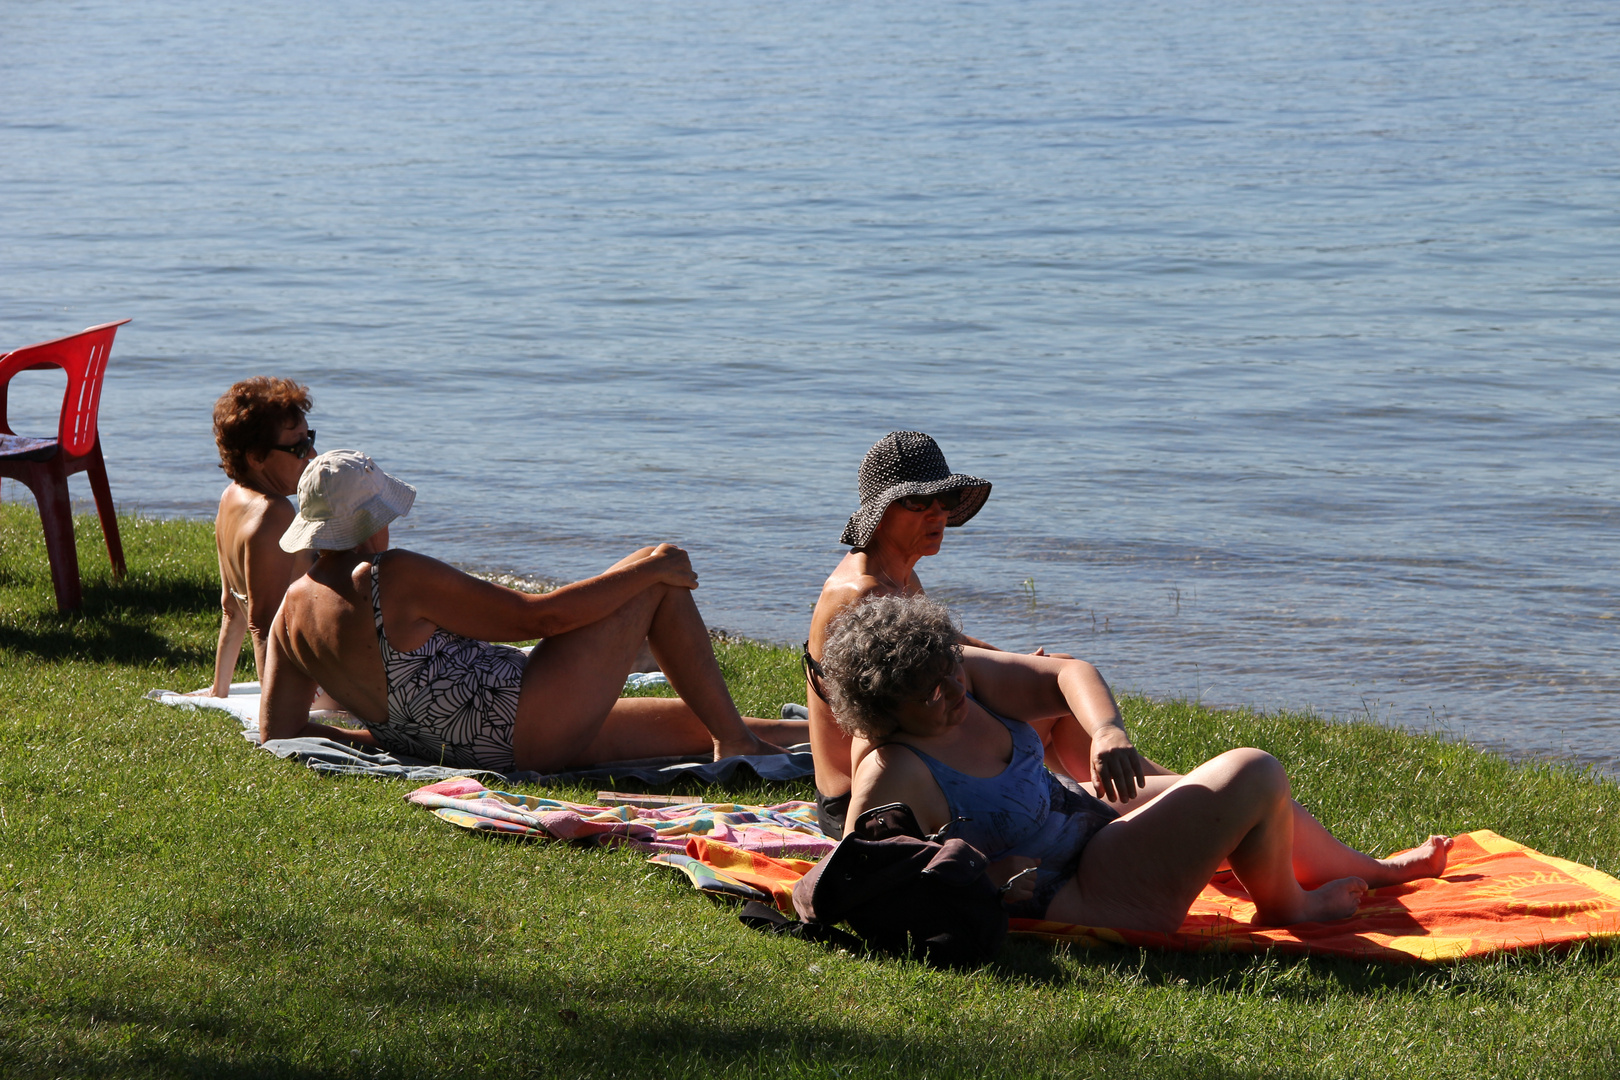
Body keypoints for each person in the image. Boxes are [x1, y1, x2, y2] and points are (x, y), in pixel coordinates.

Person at [823, 594, 1453, 930]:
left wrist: (1105, 732)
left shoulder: (964, 680)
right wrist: (989, 880)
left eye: (951, 673)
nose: (955, 693)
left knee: (1229, 794)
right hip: (1081, 888)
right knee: (1252, 771)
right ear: (884, 707)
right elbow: (869, 882)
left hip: (1081, 818)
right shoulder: (895, 770)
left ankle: (1378, 871)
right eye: (932, 692)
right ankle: (1288, 906)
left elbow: (1069, 671)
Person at [259, 449, 806, 772]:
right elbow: (536, 618)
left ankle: (789, 740)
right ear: (372, 519)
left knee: (691, 722)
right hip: (528, 721)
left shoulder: (290, 614)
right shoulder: (388, 575)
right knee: (654, 572)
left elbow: (279, 731)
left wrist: (392, 735)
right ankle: (735, 742)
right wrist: (645, 572)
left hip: (480, 743)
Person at [804, 431, 1175, 837]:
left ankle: (1141, 784)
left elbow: (947, 647)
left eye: (944, 500)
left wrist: (1019, 663)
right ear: (879, 510)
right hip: (878, 799)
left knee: (1057, 674)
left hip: (912, 753)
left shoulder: (896, 574)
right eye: (918, 502)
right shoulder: (864, 593)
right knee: (1057, 694)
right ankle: (1170, 795)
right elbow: (883, 723)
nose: (937, 514)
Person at [209, 377, 322, 698]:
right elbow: (263, 627)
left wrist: (220, 691)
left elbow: (232, 608)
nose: (312, 453)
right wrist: (274, 718)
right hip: (316, 677)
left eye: (310, 438)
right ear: (256, 457)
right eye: (298, 445)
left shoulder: (230, 497)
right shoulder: (274, 513)